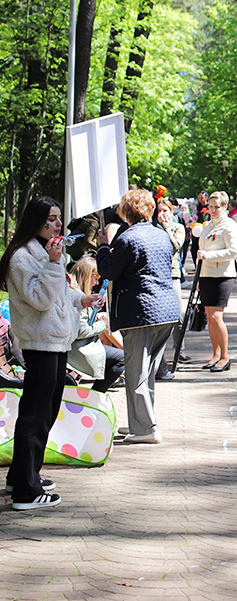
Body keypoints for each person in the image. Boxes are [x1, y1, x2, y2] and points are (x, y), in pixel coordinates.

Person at [1, 197, 100, 510]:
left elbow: (57, 292)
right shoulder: (22, 257)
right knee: (35, 413)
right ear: (37, 222)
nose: (60, 225)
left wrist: (79, 300)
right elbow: (40, 298)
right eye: (53, 219)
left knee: (46, 410)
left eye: (59, 219)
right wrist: (55, 262)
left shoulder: (44, 252)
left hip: (56, 341)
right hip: (40, 343)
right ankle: (26, 492)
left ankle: (24, 474)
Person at [97, 188, 181, 444]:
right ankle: (140, 422)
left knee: (136, 372)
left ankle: (146, 428)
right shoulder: (161, 235)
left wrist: (102, 247)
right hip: (166, 311)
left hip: (140, 312)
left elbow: (108, 270)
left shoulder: (126, 239)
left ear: (126, 212)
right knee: (147, 372)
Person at [66, 257, 126, 393]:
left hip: (79, 344)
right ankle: (96, 393)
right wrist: (102, 325)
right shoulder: (77, 295)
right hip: (77, 348)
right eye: (95, 279)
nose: (96, 283)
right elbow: (81, 332)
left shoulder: (74, 291)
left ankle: (96, 392)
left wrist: (94, 311)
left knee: (119, 354)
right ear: (88, 276)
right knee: (122, 358)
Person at [197, 191, 237, 373]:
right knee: (209, 316)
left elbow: (233, 251)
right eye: (211, 206)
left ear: (225, 207)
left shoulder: (229, 226)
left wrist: (209, 255)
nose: (213, 210)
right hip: (206, 274)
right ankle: (215, 354)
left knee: (217, 316)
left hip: (222, 275)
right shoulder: (207, 225)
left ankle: (225, 356)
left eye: (217, 207)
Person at [154, 199, 187, 380]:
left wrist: (166, 226)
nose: (162, 214)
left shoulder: (177, 227)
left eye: (165, 210)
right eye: (159, 211)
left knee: (177, 316)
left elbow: (175, 247)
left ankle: (179, 350)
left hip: (172, 274)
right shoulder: (152, 228)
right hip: (158, 275)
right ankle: (161, 362)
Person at [189, 191, 211, 269]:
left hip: (206, 231)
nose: (200, 199)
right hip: (196, 231)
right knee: (194, 249)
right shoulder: (196, 207)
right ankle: (196, 266)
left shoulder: (210, 207)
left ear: (206, 198)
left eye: (202, 198)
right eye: (199, 198)